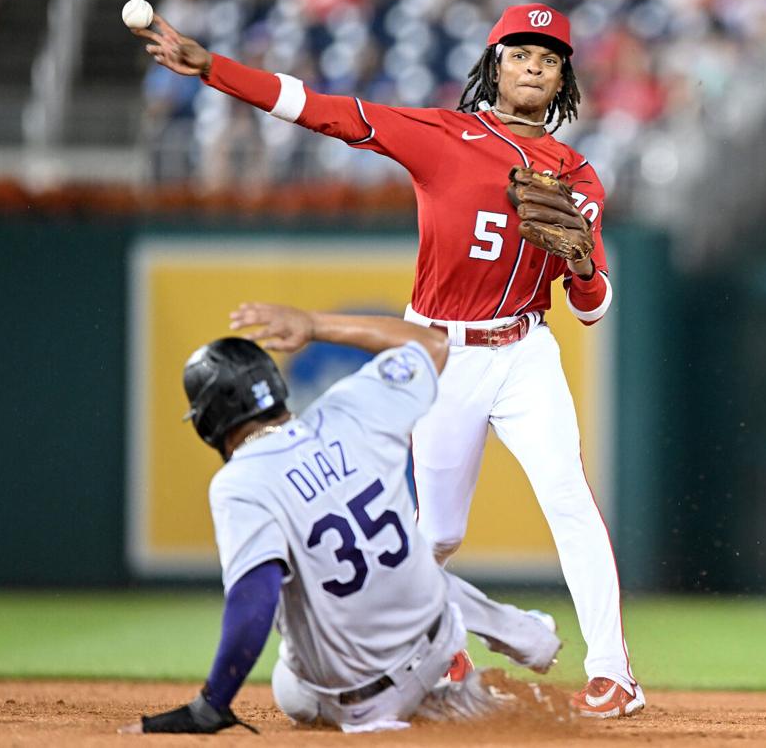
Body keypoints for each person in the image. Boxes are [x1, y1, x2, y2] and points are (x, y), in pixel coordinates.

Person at [131, 0, 644, 717]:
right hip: (439, 351)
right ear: (494, 64)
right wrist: (213, 68)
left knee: (567, 496)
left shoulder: (578, 176)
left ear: (563, 80)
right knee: (433, 534)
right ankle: (438, 648)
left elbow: (590, 306)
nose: (534, 66)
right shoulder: (441, 134)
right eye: (521, 53)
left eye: (550, 58)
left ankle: (613, 672)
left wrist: (585, 264)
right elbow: (321, 109)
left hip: (524, 349)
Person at [119, 306, 561, 734]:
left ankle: (427, 702)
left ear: (208, 420)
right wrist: (313, 325)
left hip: (363, 703)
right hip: (435, 640)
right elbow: (431, 342)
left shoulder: (240, 483)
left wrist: (211, 705)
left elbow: (255, 600)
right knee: (409, 562)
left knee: (290, 685)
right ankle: (516, 641)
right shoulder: (352, 408)